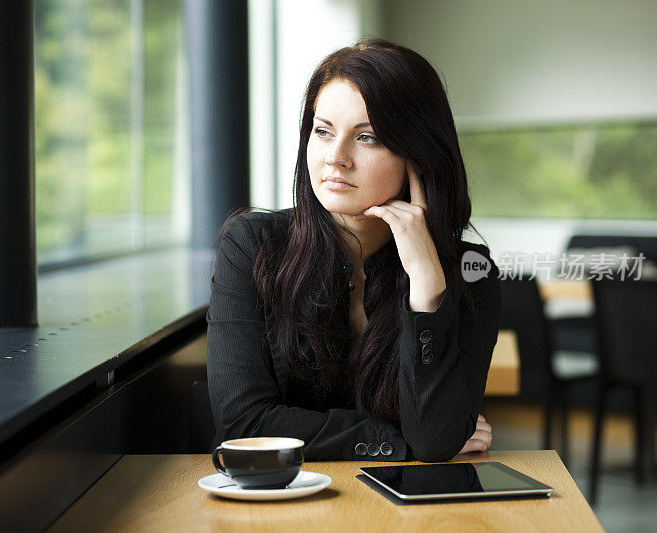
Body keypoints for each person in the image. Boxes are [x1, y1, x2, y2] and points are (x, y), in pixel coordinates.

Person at [206, 38, 501, 462]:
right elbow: (244, 425)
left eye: (368, 138)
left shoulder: (472, 273)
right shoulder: (252, 245)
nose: (335, 158)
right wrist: (400, 439)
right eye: (323, 131)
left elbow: (436, 442)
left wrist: (426, 288)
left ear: (419, 155)